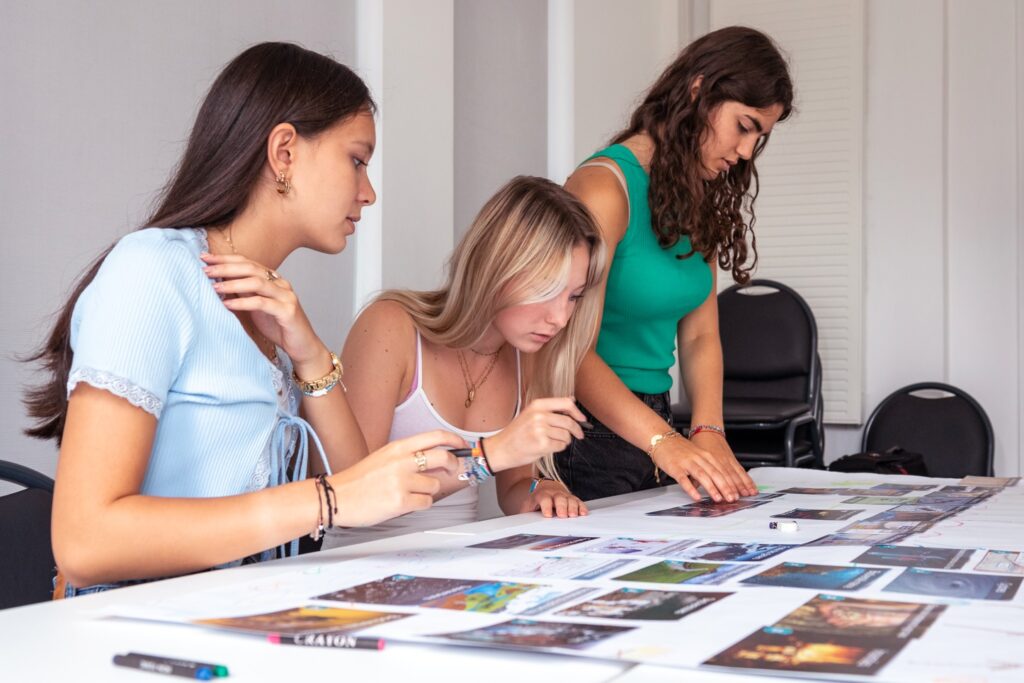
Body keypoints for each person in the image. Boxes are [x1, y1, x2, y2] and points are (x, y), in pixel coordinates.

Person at [23, 42, 463, 596]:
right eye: (357, 159)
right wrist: (324, 500)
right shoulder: (151, 271)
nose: (368, 193)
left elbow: (356, 492)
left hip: (240, 616)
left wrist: (308, 353)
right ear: (284, 151)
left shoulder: (266, 310)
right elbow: (85, 543)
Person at [556, 26, 794, 503]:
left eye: (759, 137)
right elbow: (568, 348)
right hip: (587, 431)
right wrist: (664, 441)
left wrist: (709, 430)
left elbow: (701, 334)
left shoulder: (693, 193)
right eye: (744, 126)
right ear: (699, 92)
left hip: (656, 425)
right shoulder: (604, 189)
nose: (747, 152)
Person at [323, 176, 605, 549]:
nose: (561, 318)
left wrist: (540, 489)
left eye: (573, 297)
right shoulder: (392, 327)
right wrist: (488, 456)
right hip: (358, 567)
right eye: (548, 291)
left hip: (458, 565)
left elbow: (514, 487)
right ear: (498, 268)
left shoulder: (525, 356)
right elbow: (354, 493)